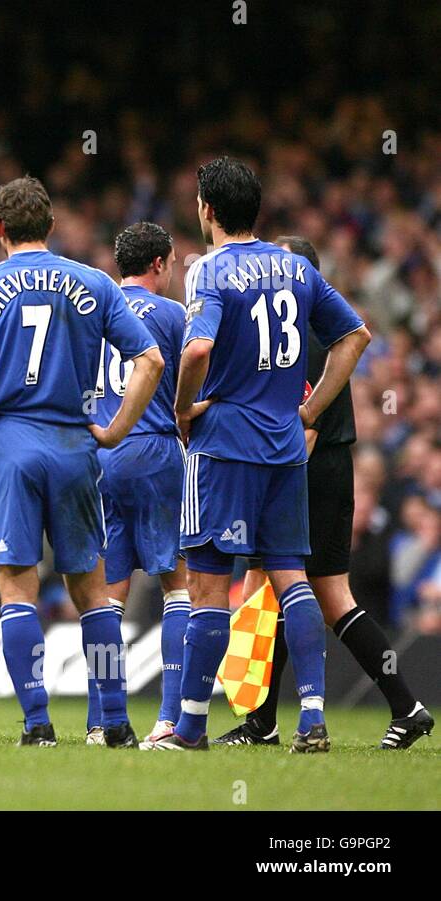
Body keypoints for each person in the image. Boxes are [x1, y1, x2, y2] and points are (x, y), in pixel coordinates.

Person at [0, 177, 163, 748]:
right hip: (75, 445)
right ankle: (115, 720)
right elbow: (149, 359)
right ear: (50, 228)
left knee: (17, 589)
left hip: (7, 447)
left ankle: (37, 724)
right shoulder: (94, 283)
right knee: (91, 592)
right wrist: (116, 428)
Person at [149, 157, 370, 752]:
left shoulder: (209, 270)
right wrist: (308, 410)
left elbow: (196, 351)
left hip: (224, 447)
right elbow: (355, 337)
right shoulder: (295, 266)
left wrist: (182, 409)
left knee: (208, 585)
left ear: (208, 210)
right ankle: (313, 719)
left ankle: (190, 727)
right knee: (292, 579)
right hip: (283, 447)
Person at [216, 235, 432, 750]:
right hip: (335, 469)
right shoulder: (325, 329)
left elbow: (303, 428)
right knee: (329, 597)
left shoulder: (297, 338)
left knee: (267, 592)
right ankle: (407, 705)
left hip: (303, 471)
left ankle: (260, 721)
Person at [84, 222, 190, 749]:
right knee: (177, 583)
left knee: (105, 593)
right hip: (153, 451)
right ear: (160, 263)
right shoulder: (172, 315)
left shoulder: (91, 309)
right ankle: (169, 719)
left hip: (98, 455)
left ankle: (102, 721)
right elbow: (194, 377)